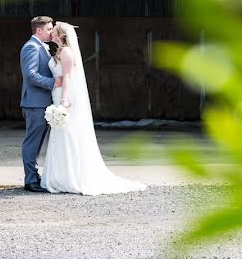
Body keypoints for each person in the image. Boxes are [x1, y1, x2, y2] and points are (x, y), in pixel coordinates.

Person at [41, 21, 147, 195]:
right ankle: (58, 175)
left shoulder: (67, 52)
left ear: (60, 35)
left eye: (53, 31)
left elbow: (67, 78)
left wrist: (63, 102)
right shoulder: (59, 51)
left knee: (68, 134)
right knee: (59, 134)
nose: (50, 32)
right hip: (56, 93)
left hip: (64, 96)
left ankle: (70, 177)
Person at [20, 15, 56, 193]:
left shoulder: (42, 47)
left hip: (41, 103)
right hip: (35, 103)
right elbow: (31, 75)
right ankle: (30, 180)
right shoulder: (31, 48)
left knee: (37, 142)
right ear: (38, 30)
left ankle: (34, 176)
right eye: (49, 29)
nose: (52, 32)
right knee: (32, 143)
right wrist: (54, 83)